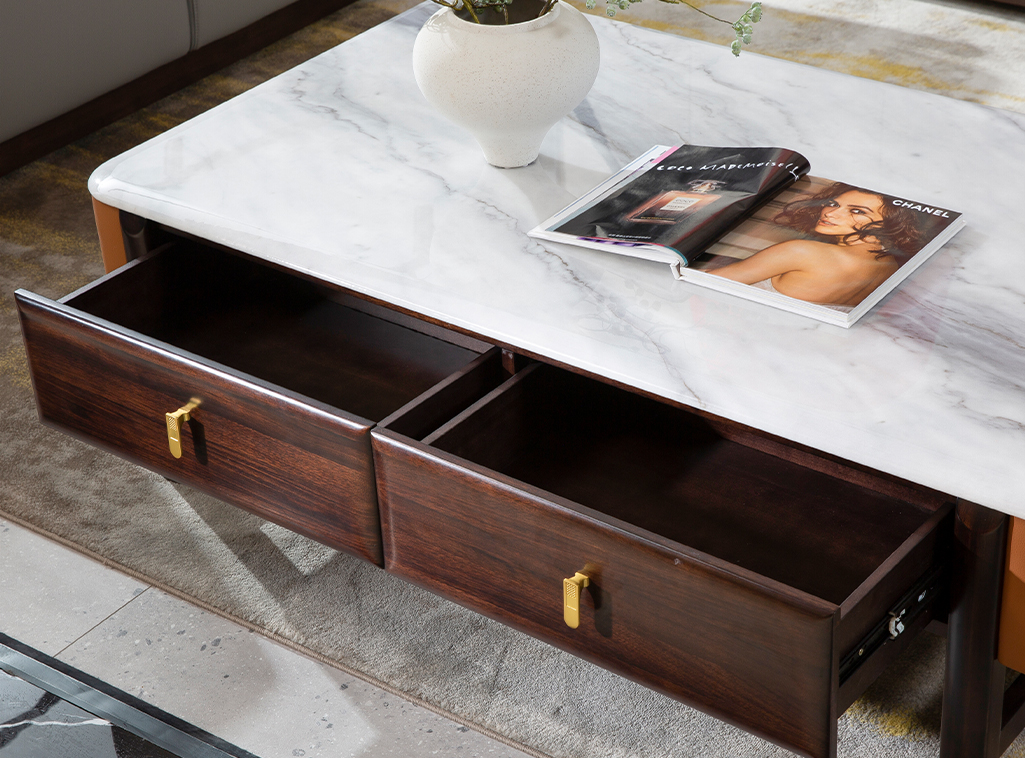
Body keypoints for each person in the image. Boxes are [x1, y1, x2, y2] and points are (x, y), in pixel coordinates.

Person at [707, 182, 924, 309]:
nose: (830, 213)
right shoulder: (889, 266)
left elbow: (706, 284)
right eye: (833, 203)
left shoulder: (802, 252)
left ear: (891, 223)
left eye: (857, 211)